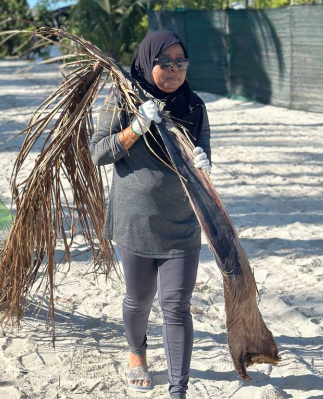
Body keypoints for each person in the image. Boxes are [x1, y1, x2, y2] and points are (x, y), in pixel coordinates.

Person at [90, 30, 212, 398]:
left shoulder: (194, 106)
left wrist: (205, 162)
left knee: (176, 307)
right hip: (135, 221)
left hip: (182, 223)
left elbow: (203, 152)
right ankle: (136, 354)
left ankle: (179, 390)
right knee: (139, 299)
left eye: (181, 62)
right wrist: (136, 128)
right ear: (148, 62)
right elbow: (98, 153)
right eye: (165, 62)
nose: (174, 69)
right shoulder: (123, 100)